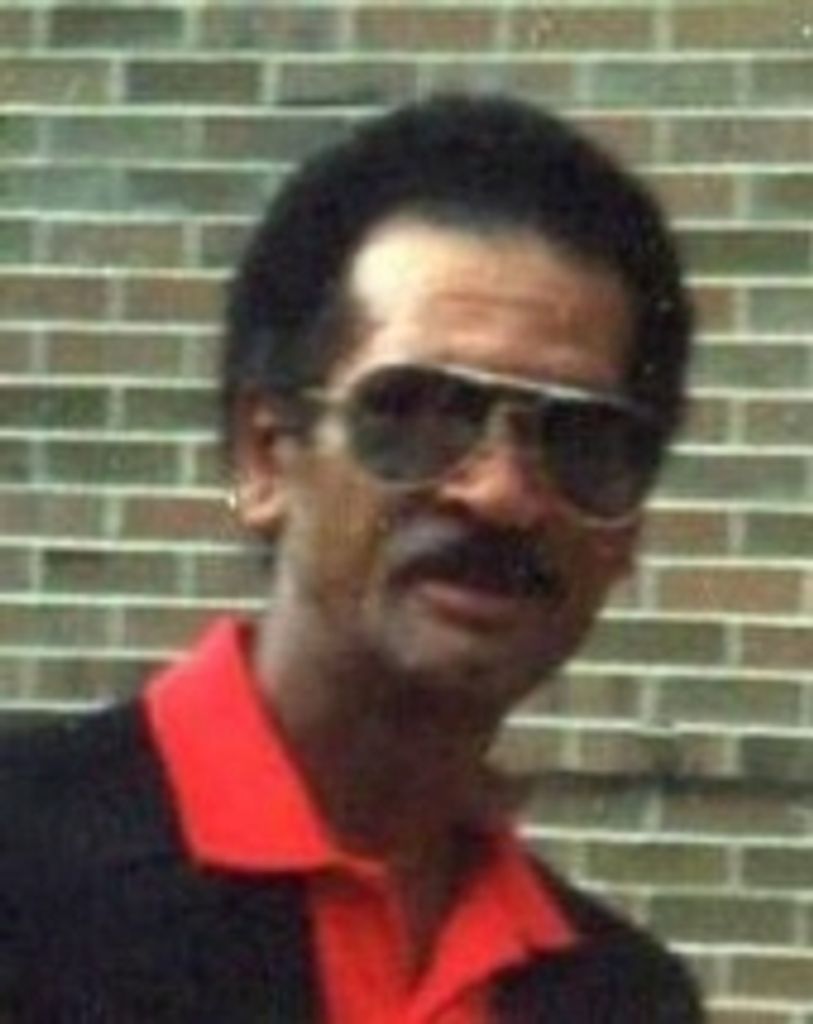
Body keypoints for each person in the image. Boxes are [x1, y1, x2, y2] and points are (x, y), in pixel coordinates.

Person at [0, 94, 704, 1022]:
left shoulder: (619, 999)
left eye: (580, 441)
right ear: (264, 457)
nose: (499, 492)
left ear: (627, 528)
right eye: (417, 414)